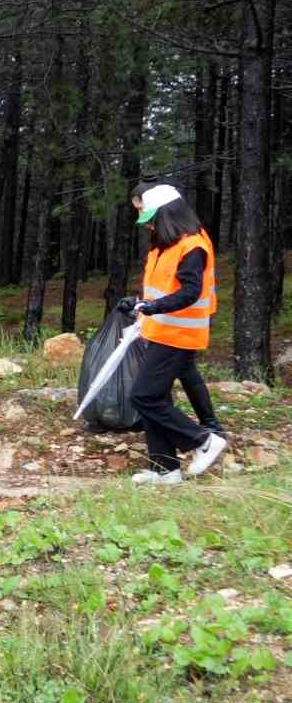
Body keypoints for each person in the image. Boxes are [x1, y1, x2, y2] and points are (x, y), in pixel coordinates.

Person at [118, 183, 229, 485]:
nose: (149, 225)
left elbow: (191, 292)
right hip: (160, 330)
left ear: (169, 214)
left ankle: (203, 440)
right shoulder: (165, 244)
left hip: (180, 334)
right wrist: (140, 303)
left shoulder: (193, 245)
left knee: (144, 396)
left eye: (152, 219)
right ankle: (165, 469)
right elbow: (161, 286)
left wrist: (153, 306)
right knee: (156, 396)